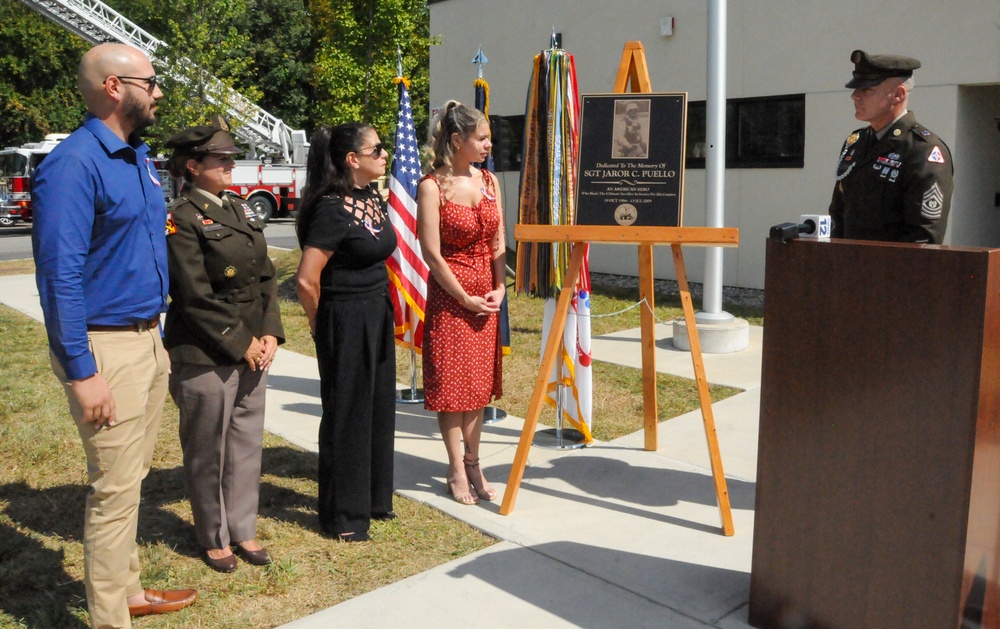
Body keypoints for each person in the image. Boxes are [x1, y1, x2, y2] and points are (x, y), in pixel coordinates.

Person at [31, 43, 197, 627]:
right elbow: (59, 275)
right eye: (149, 82)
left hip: (145, 340)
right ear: (112, 87)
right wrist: (82, 370)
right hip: (105, 347)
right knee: (114, 492)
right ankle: (110, 620)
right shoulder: (75, 164)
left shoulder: (135, 157)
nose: (158, 92)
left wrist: (158, 343)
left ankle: (128, 592)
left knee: (132, 481)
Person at [162, 117, 284, 572]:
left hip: (254, 345)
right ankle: (213, 535)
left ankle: (243, 527)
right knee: (208, 447)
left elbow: (266, 274)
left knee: (247, 442)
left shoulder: (236, 208)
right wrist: (242, 341)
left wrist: (269, 331)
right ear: (193, 166)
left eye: (232, 157)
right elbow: (192, 294)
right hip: (205, 351)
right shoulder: (182, 217)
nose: (231, 164)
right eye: (221, 159)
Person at [295, 123, 397, 541]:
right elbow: (306, 280)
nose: (385, 154)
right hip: (345, 316)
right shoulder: (329, 208)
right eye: (377, 148)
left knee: (377, 408)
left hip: (377, 312)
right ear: (352, 159)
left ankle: (373, 498)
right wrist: (323, 326)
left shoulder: (369, 196)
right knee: (348, 415)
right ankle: (344, 516)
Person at [417, 101, 505, 506]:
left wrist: (499, 288)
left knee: (477, 388)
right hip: (452, 299)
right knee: (452, 388)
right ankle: (455, 468)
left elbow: (498, 243)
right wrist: (463, 296)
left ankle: (474, 462)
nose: (489, 143)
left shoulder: (489, 181)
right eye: (482, 137)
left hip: (485, 299)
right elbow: (432, 254)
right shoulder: (432, 186)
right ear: (458, 140)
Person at [829, 49, 954, 243]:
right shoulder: (855, 143)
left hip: (892, 271)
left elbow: (923, 238)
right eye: (856, 89)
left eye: (867, 90)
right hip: (848, 268)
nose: (855, 96)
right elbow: (837, 217)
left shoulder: (923, 151)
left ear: (898, 94)